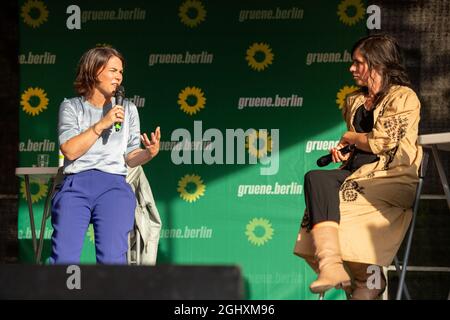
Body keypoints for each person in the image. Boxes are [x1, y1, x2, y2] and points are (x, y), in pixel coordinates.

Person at [293, 34, 422, 299]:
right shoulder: (354, 101)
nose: (352, 69)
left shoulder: (404, 97)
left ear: (378, 63)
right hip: (356, 174)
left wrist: (351, 137)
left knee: (341, 201)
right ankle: (332, 266)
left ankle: (366, 280)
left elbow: (383, 141)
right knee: (316, 179)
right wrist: (347, 150)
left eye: (358, 62)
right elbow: (361, 144)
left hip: (390, 177)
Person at [49, 47, 161, 264]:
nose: (118, 77)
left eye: (121, 72)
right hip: (76, 185)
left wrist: (148, 153)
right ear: (94, 70)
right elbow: (70, 150)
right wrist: (102, 123)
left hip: (114, 186)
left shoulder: (127, 109)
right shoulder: (71, 106)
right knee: (64, 259)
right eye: (113, 70)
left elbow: (130, 157)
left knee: (112, 261)